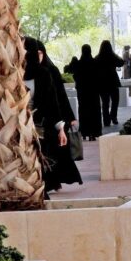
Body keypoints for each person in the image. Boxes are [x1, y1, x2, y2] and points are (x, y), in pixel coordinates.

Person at [23, 37, 68, 193]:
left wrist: (61, 128)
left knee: (43, 155)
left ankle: (42, 187)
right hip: (19, 124)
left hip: (40, 124)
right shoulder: (13, 73)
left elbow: (52, 102)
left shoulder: (43, 73)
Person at [39, 41, 82, 188]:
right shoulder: (28, 71)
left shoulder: (51, 70)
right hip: (42, 117)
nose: (38, 56)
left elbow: (61, 95)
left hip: (56, 115)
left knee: (57, 149)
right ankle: (51, 182)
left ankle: (55, 180)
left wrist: (70, 117)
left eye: (40, 53)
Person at [71, 47, 102, 141]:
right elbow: (99, 76)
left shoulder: (79, 64)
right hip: (93, 92)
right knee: (94, 111)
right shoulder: (95, 62)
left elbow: (75, 75)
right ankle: (94, 132)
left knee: (83, 111)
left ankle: (85, 132)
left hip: (82, 92)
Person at [94, 40, 124, 127]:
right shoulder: (113, 57)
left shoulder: (97, 58)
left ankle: (106, 120)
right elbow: (121, 62)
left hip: (102, 83)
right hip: (113, 82)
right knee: (115, 101)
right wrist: (115, 54)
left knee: (105, 103)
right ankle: (113, 117)